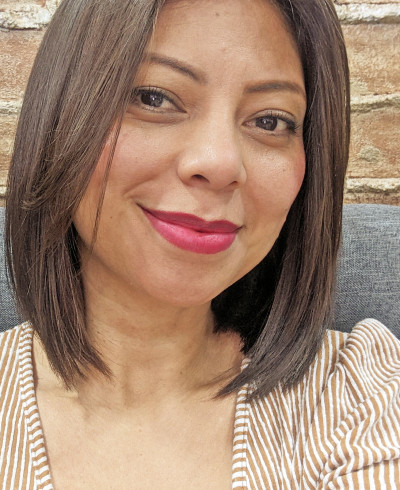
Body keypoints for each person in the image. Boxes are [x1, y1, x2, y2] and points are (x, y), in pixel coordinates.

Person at [1, 0, 399, 488]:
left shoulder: (356, 394)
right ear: (61, 117)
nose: (220, 162)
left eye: (270, 121)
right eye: (154, 98)